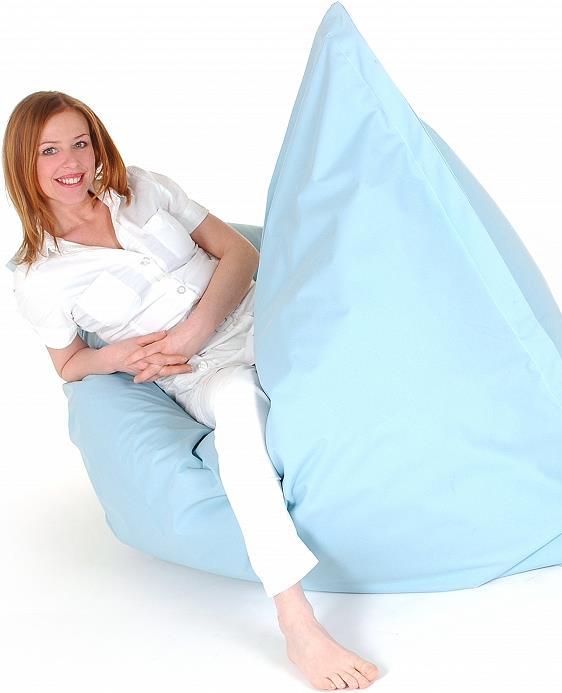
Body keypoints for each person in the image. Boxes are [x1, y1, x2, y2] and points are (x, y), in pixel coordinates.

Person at [3, 91, 379, 691]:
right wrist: (119, 355)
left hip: (262, 314)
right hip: (199, 370)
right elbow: (69, 365)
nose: (70, 162)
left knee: (360, 321)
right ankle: (296, 620)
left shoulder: (143, 189)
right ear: (24, 162)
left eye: (80, 143)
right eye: (49, 151)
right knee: (237, 414)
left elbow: (239, 251)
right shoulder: (38, 277)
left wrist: (194, 326)